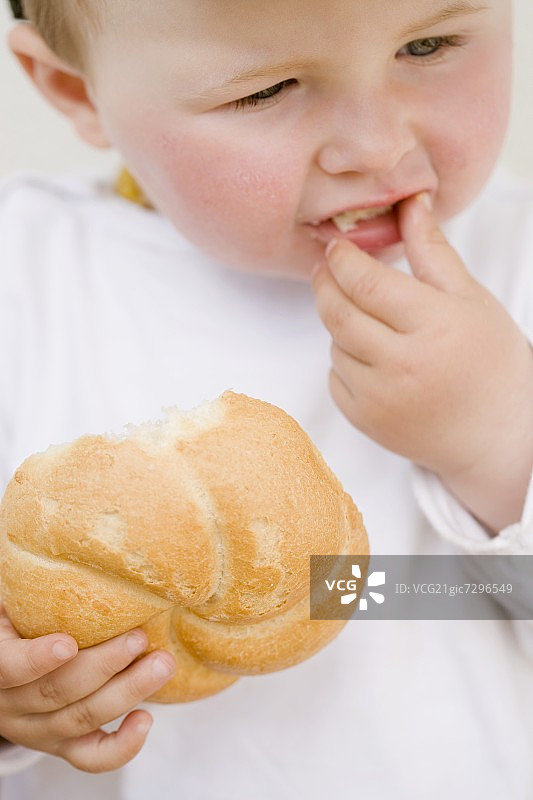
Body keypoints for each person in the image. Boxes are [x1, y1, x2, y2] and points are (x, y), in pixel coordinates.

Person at [0, 0, 532, 797]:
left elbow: (374, 590)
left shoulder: (515, 256)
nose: (377, 146)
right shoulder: (25, 283)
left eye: (428, 43)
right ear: (74, 91)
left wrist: (502, 437)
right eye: (266, 90)